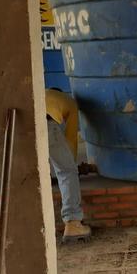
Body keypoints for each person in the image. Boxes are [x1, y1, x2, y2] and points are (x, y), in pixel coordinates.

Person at [45, 88, 91, 242]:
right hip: (47, 122)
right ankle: (73, 224)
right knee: (66, 171)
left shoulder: (44, 93)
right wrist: (73, 164)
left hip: (21, 124)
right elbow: (71, 138)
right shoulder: (70, 103)